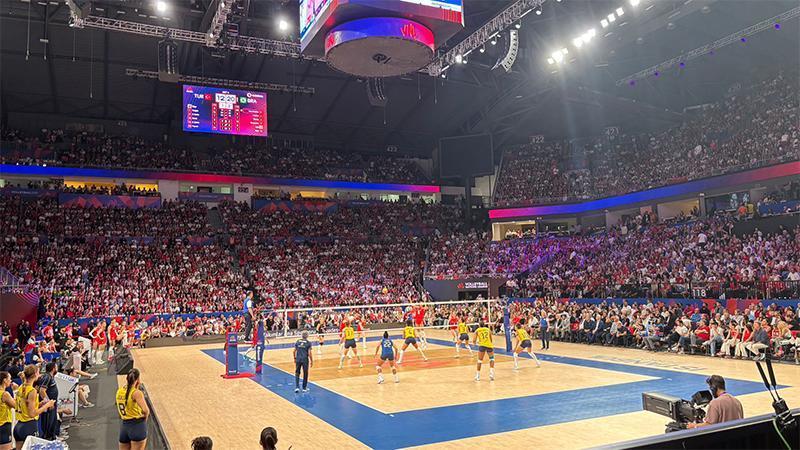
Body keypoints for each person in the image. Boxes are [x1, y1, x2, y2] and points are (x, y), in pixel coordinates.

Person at [14, 365, 56, 449]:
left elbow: (26, 406)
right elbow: (32, 414)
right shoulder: (32, 391)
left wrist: (40, 404)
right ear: (36, 374)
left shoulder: (21, 387)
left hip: (18, 426)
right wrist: (47, 405)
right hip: (29, 426)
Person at [116, 368, 150, 450]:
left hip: (124, 427)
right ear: (138, 379)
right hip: (137, 426)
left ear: (126, 378)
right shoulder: (136, 393)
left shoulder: (119, 391)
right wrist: (144, 419)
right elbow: (146, 410)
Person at [36, 362, 59, 440]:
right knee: (48, 422)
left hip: (52, 403)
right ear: (53, 369)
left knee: (53, 421)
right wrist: (48, 402)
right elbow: (42, 391)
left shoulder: (50, 376)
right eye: (56, 367)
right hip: (49, 405)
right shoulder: (47, 377)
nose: (57, 369)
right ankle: (48, 438)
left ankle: (53, 436)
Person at [1, 371, 17, 450]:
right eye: (9, 378)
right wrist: (15, 391)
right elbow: (17, 406)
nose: (11, 381)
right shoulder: (5, 394)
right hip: (3, 426)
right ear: (4, 380)